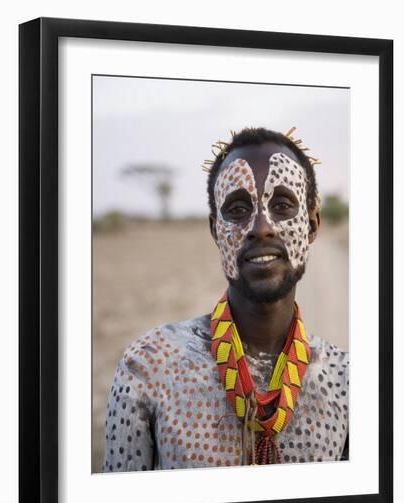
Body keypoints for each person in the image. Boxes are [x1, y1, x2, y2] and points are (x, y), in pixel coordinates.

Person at [102, 126, 349, 472]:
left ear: (312, 225)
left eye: (281, 205)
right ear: (216, 230)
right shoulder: (147, 367)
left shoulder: (345, 383)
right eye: (237, 209)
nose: (261, 226)